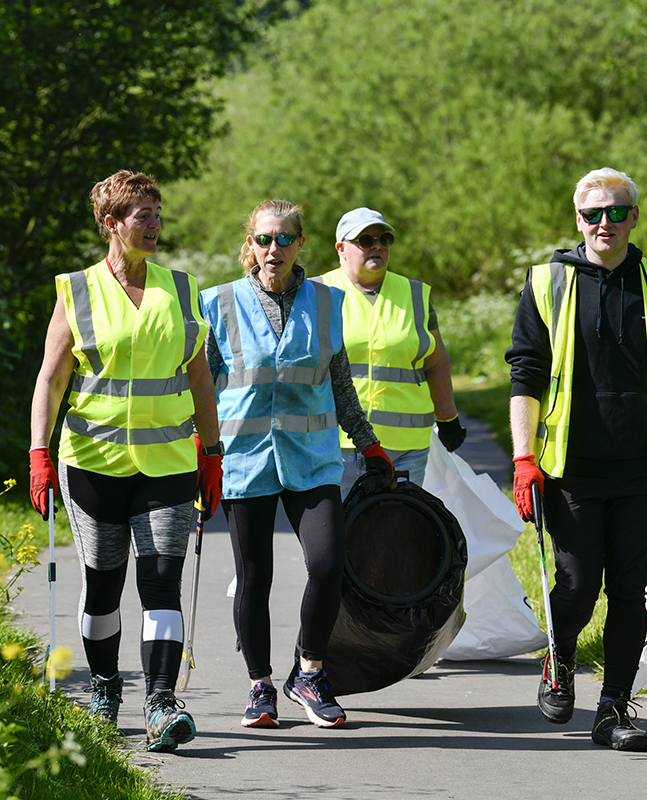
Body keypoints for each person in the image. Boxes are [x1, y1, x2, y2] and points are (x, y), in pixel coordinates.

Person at [506, 167, 647, 752]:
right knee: (574, 586)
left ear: (633, 218)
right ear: (578, 220)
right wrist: (524, 459)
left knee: (629, 592)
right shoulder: (548, 282)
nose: (604, 223)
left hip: (645, 468)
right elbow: (526, 373)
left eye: (616, 212)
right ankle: (561, 656)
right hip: (572, 466)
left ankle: (614, 710)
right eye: (593, 213)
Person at [28, 170, 223, 753]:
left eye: (158, 213)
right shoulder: (77, 291)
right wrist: (39, 452)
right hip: (92, 461)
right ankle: (107, 689)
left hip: (166, 463)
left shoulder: (182, 290)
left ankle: (162, 704)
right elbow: (52, 377)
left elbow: (200, 378)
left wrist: (211, 454)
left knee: (161, 579)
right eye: (144, 215)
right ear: (110, 224)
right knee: (103, 584)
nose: (156, 224)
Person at [200, 199, 394, 729]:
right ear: (250, 245)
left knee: (329, 565)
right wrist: (201, 452)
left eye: (284, 239)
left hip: (312, 461)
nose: (273, 250)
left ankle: (308, 672)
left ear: (300, 244)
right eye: (264, 239)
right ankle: (259, 685)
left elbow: (339, 385)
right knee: (253, 577)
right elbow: (199, 388)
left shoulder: (328, 303)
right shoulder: (216, 303)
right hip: (245, 461)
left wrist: (369, 443)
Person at [320, 208, 465, 496]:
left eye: (384, 239)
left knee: (398, 532)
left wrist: (448, 419)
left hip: (406, 446)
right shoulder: (317, 292)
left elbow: (436, 363)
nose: (376, 246)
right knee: (346, 535)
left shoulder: (415, 294)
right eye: (365, 239)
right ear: (341, 249)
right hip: (336, 444)